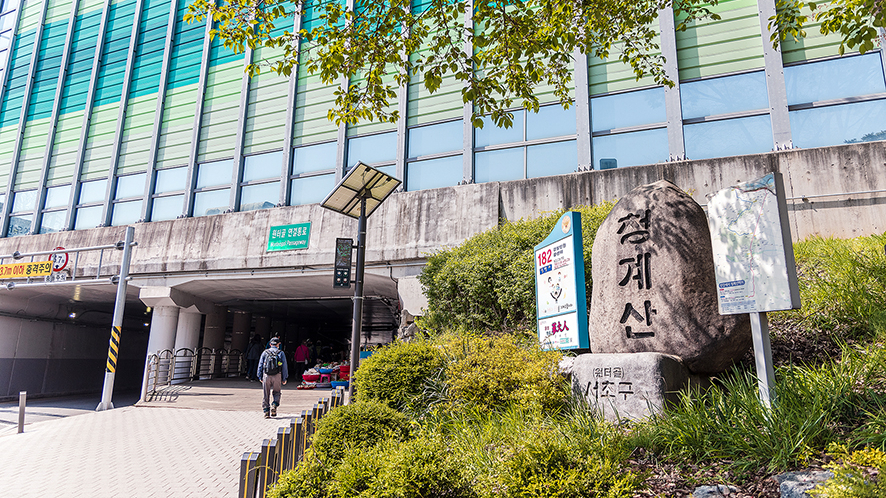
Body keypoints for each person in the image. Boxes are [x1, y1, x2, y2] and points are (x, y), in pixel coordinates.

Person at [257, 338, 288, 418]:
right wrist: (284, 378)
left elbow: (260, 365)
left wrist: (259, 376)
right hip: (277, 375)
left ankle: (266, 411)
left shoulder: (265, 352)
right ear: (278, 344)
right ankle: (274, 405)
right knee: (277, 392)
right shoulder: (281, 353)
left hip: (266, 375)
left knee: (266, 394)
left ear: (270, 344)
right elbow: (284, 366)